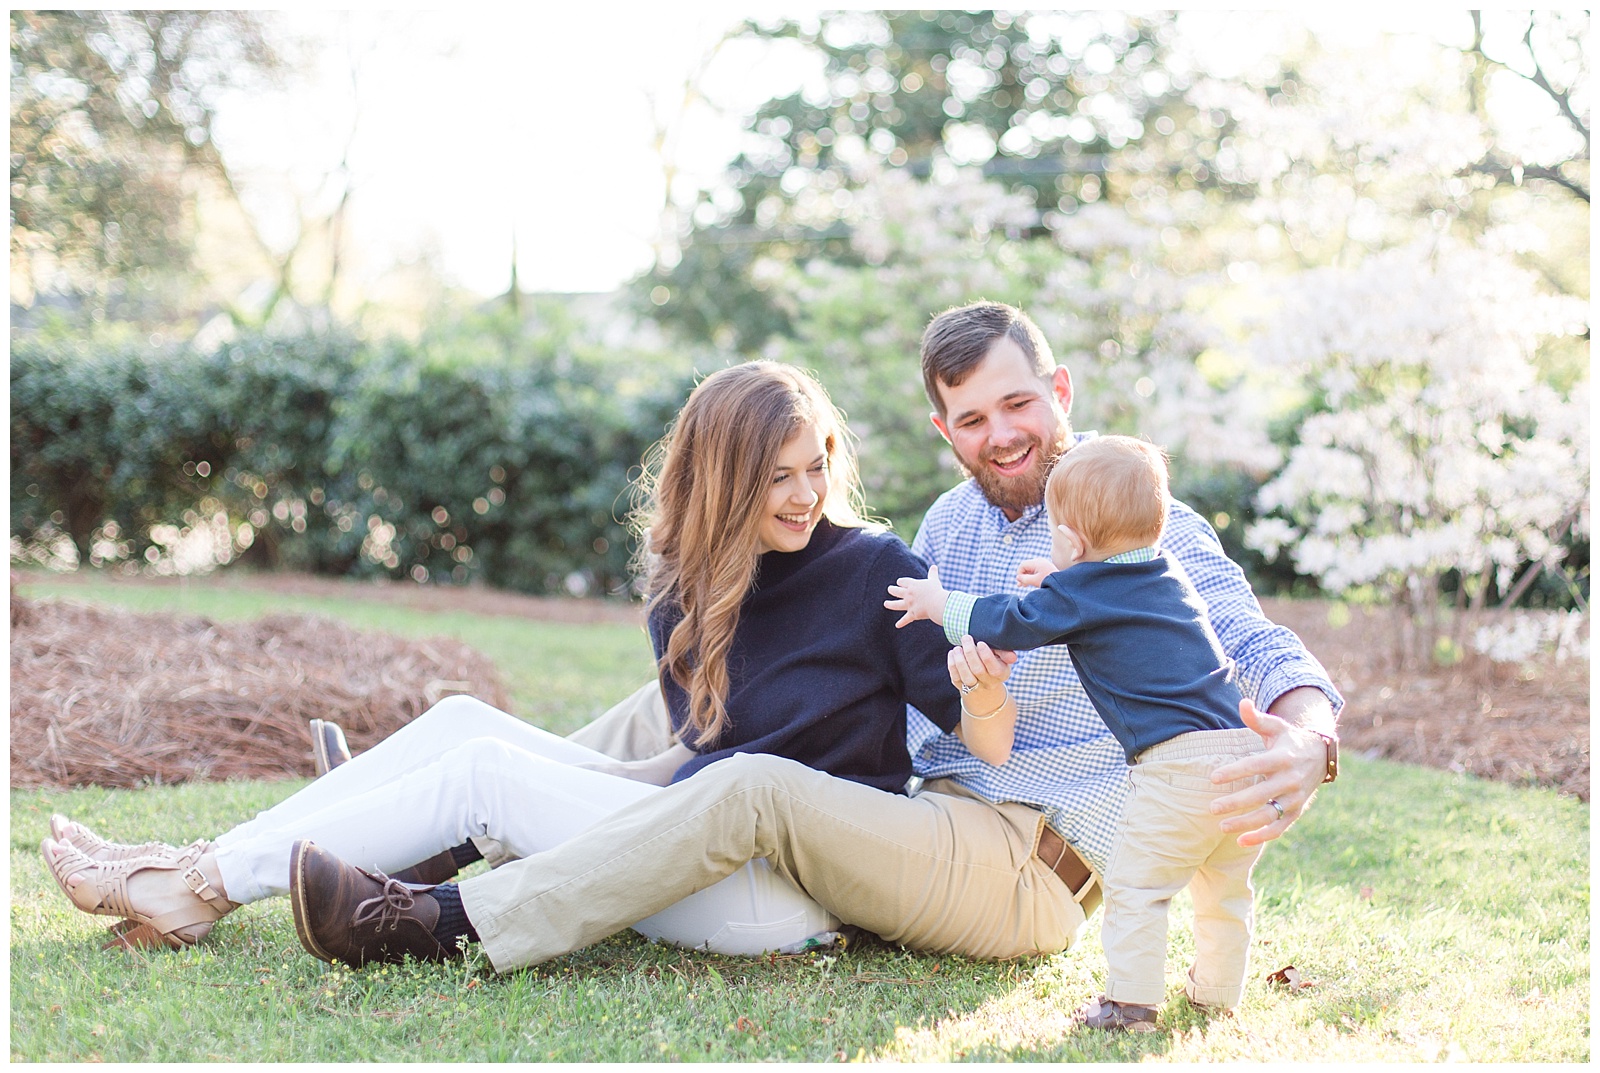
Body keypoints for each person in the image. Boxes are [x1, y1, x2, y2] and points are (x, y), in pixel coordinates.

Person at [287, 301, 1342, 988]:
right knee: (666, 703)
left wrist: (1307, 732)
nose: (1003, 433)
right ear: (943, 429)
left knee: (751, 782)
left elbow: (1251, 640)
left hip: (1023, 859)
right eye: (972, 418)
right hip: (915, 813)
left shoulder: (1138, 527)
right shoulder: (947, 531)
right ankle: (453, 817)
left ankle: (448, 916)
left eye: (1019, 402)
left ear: (1057, 392)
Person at [41, 362, 997, 960]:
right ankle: (199, 865)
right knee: (465, 723)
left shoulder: (880, 568)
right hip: (687, 845)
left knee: (487, 776)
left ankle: (196, 887)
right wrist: (570, 781)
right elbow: (696, 759)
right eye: (775, 476)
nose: (804, 494)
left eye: (816, 466)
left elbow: (961, 734)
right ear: (720, 479)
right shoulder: (687, 589)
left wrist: (985, 668)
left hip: (785, 894)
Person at [886, 434, 1275, 1031]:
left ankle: (1128, 1004)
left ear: (1070, 540)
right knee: (1223, 891)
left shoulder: (1084, 594)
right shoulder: (1163, 571)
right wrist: (1061, 579)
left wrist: (940, 603)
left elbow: (1013, 621)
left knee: (1138, 886)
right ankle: (1217, 995)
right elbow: (1096, 594)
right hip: (1239, 761)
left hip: (1175, 767)